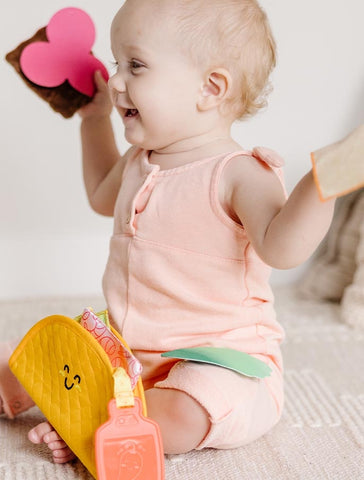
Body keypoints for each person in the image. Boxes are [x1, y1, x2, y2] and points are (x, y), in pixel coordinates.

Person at [1, 0, 337, 464]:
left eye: (135, 65)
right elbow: (101, 195)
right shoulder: (142, 159)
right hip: (129, 355)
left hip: (219, 362)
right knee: (49, 347)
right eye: (117, 63)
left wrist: (322, 187)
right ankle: (58, 399)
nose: (115, 80)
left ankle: (113, 431)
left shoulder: (238, 173)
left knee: (186, 405)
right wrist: (94, 119)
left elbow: (283, 247)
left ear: (210, 88)